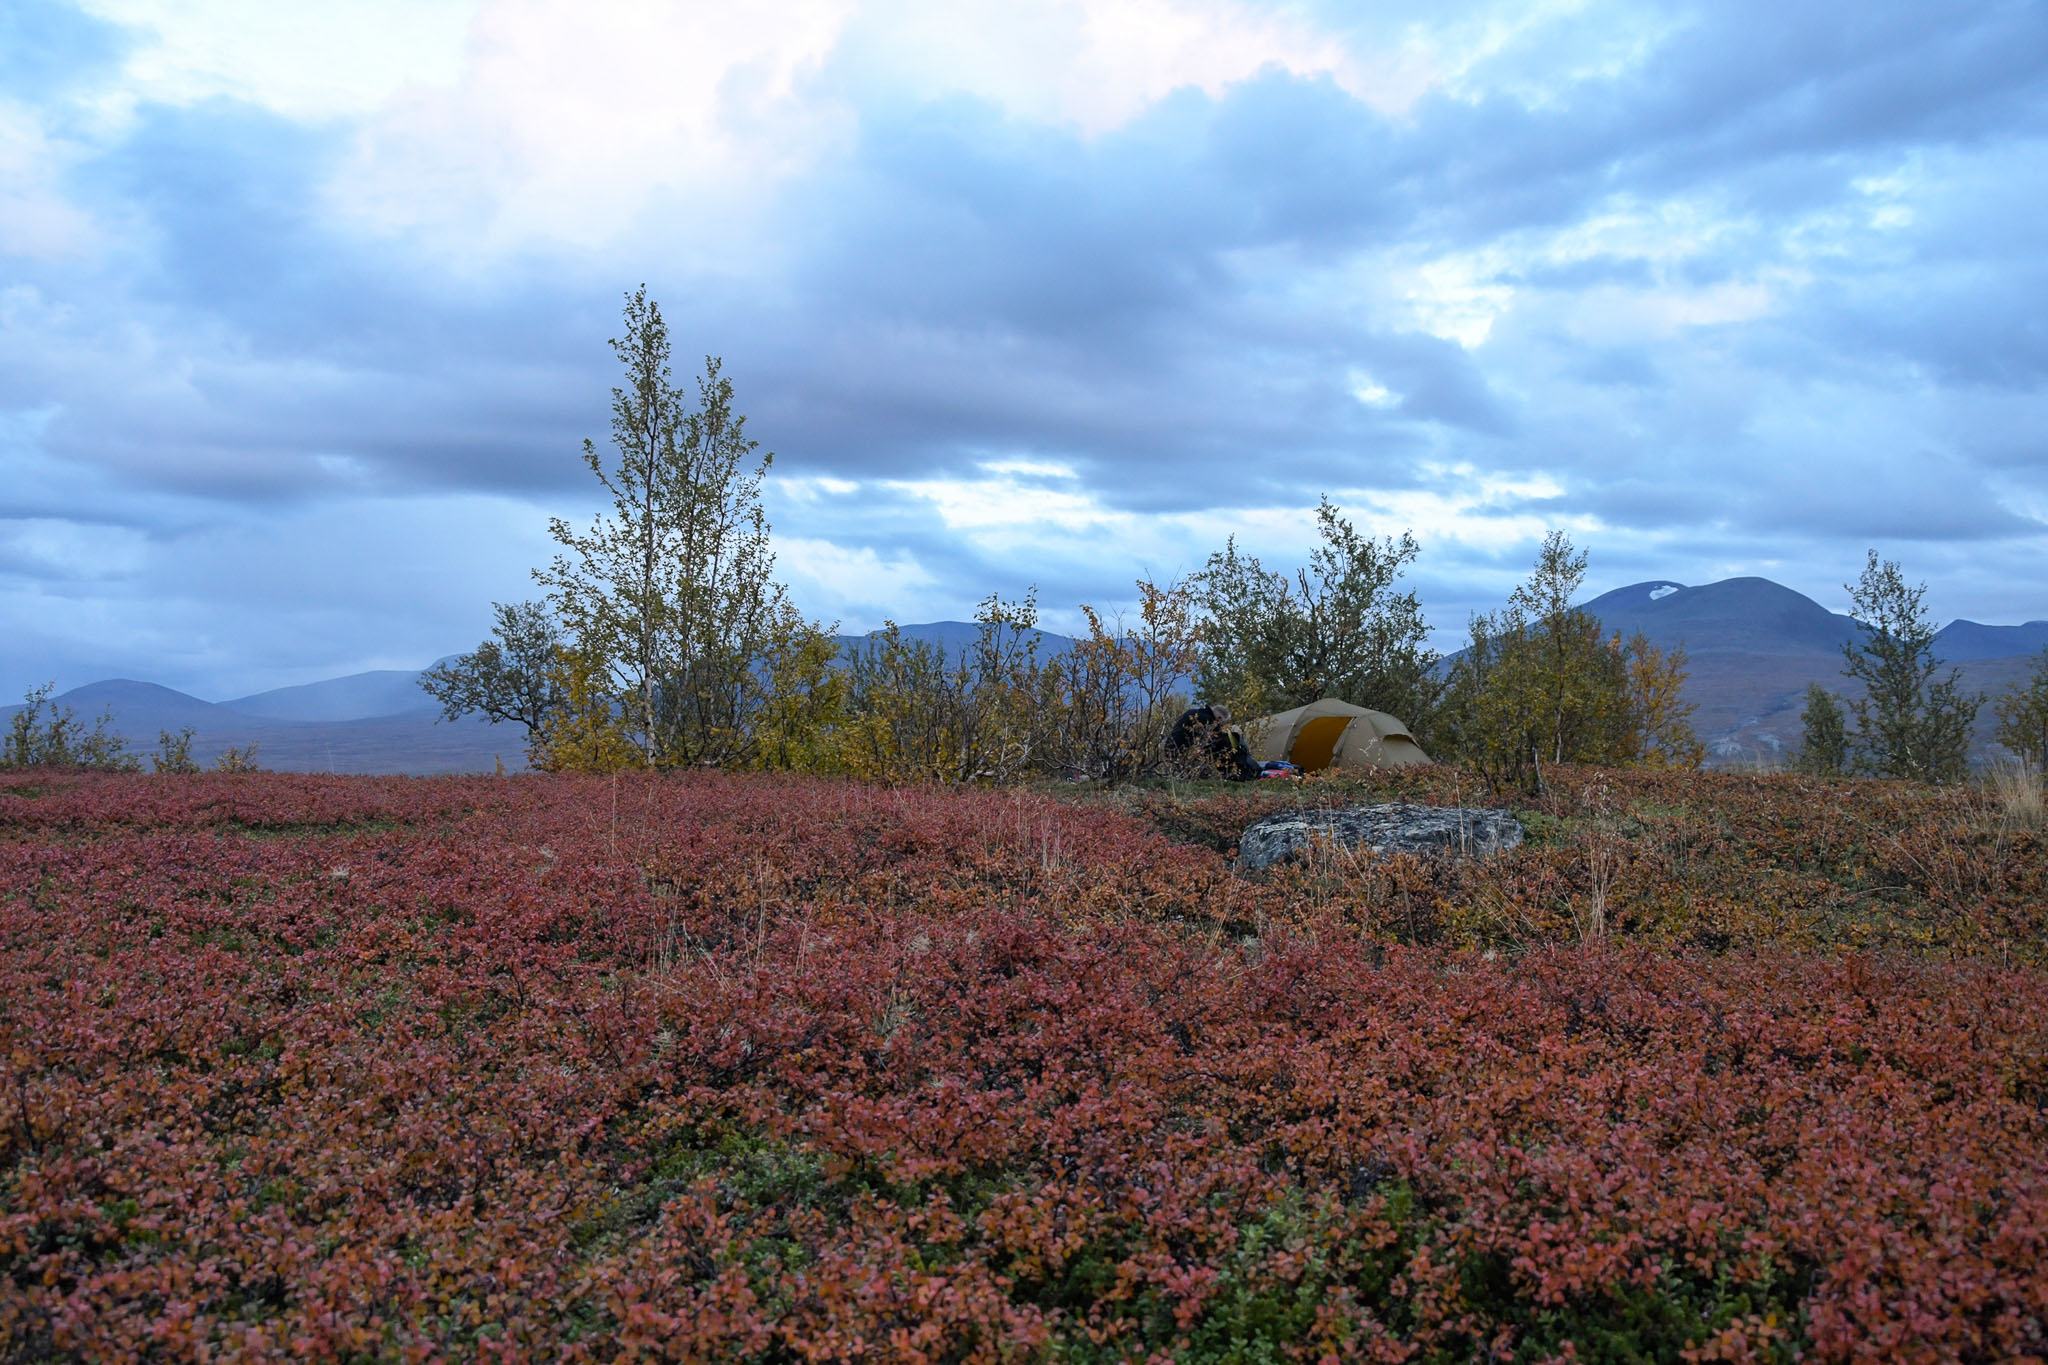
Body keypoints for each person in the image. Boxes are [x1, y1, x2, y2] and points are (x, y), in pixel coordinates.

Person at [1167, 703, 1263, 781]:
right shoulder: (1209, 720)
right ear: (1220, 718)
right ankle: (1234, 774)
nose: (1219, 725)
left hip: (1170, 749)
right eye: (1221, 723)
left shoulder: (1193, 712)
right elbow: (1212, 742)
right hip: (1183, 753)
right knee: (1226, 741)